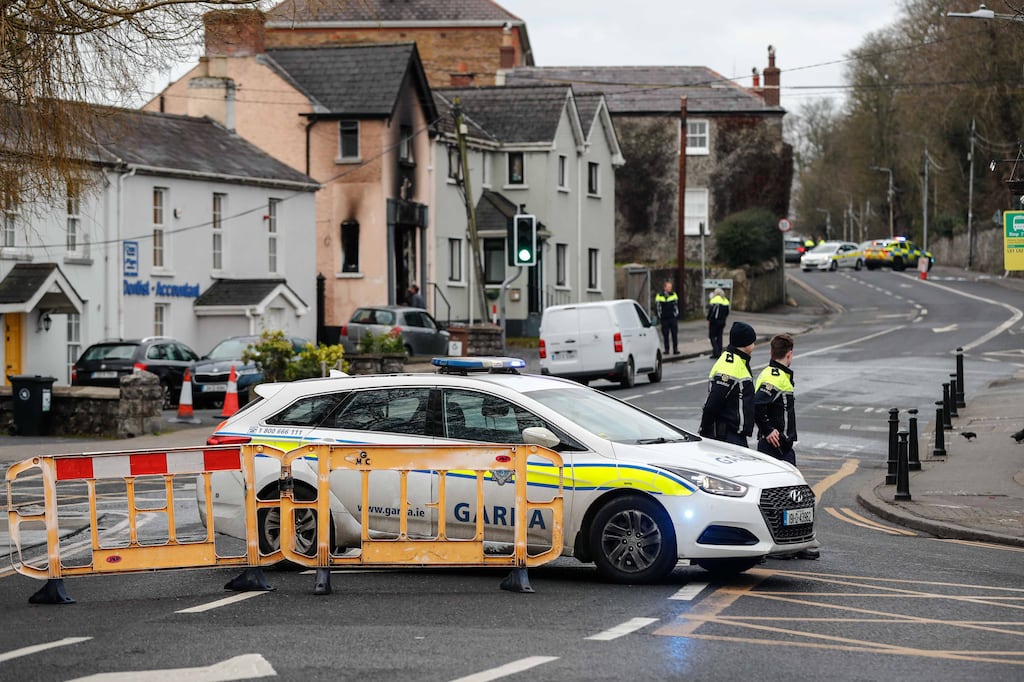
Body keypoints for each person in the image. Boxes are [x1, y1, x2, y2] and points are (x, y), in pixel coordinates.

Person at [754, 332, 820, 561]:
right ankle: (781, 545)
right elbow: (758, 406)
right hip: (775, 447)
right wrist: (768, 430)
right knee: (783, 497)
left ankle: (795, 542)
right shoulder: (774, 377)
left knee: (792, 497)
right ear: (789, 354)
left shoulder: (777, 374)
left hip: (782, 445)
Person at [698, 321, 756, 447]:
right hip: (728, 437)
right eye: (753, 341)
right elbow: (713, 403)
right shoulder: (730, 365)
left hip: (734, 435)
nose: (754, 345)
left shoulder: (738, 361)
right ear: (746, 344)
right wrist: (705, 432)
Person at [655, 280, 679, 355]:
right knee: (665, 334)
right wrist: (660, 316)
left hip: (672, 317)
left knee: (674, 334)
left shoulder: (674, 295)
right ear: (664, 287)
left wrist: (676, 315)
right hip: (664, 318)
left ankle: (675, 349)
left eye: (670, 287)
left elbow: (676, 306)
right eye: (668, 287)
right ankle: (666, 349)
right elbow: (658, 307)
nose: (670, 289)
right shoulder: (659, 296)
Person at [706, 287, 730, 358]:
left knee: (712, 336)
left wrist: (708, 319)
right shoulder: (725, 301)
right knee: (719, 337)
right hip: (722, 321)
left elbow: (711, 312)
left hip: (714, 322)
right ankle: (718, 352)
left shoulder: (714, 300)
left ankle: (716, 352)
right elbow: (727, 312)